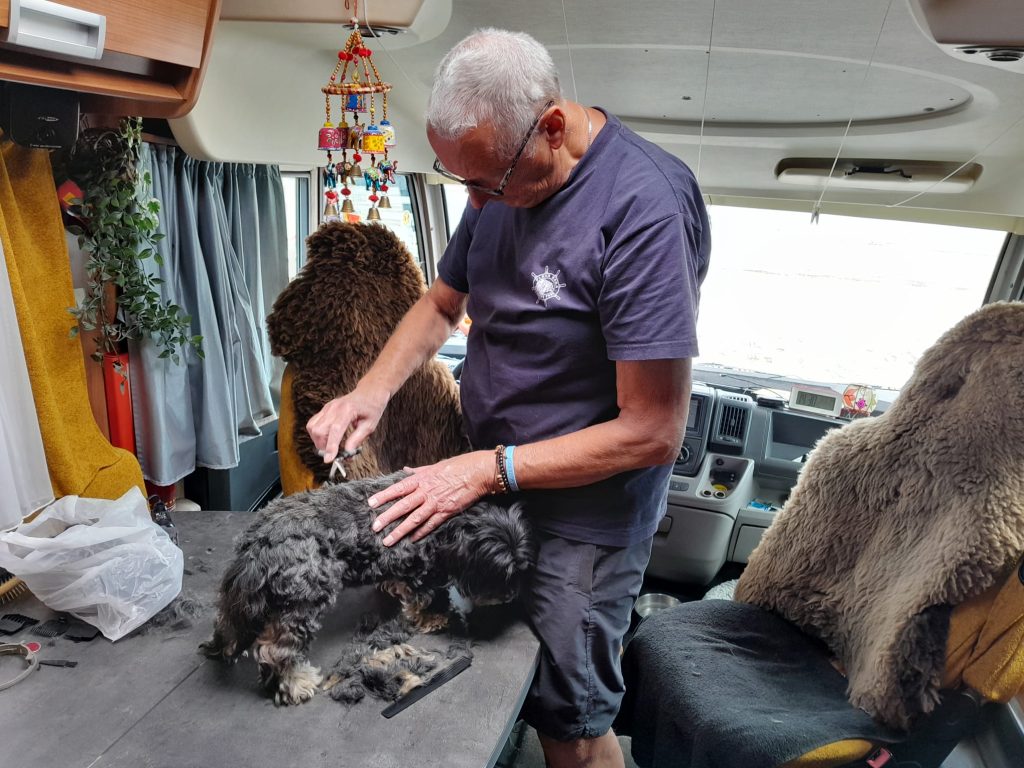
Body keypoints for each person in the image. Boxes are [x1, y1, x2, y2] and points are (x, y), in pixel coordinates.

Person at [306, 27, 710, 768]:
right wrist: (370, 393)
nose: (475, 201)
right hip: (494, 482)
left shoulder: (645, 207)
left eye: (489, 183)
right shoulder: (496, 175)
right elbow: (441, 302)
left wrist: (487, 470)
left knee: (571, 719)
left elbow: (653, 430)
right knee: (496, 669)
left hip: (586, 514)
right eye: (459, 179)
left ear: (552, 126)